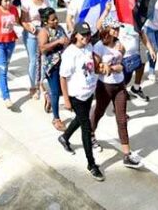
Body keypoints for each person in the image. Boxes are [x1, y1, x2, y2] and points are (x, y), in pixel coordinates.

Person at [90, 18, 143, 169]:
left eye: (118, 28)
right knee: (99, 111)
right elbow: (95, 68)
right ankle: (90, 134)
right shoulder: (99, 47)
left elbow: (122, 61)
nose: (117, 31)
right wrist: (108, 68)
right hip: (105, 85)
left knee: (122, 119)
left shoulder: (119, 43)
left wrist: (115, 67)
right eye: (114, 28)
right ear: (107, 29)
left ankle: (127, 155)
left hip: (119, 85)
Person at [57, 22, 104, 182]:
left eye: (88, 34)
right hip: (76, 96)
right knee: (86, 126)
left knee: (80, 118)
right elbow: (63, 77)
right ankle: (91, 164)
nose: (86, 37)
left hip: (88, 93)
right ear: (76, 34)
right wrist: (66, 100)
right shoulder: (70, 53)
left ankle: (65, 137)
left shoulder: (89, 47)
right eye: (83, 34)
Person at [38, 7, 69, 130]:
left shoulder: (60, 28)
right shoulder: (44, 32)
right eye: (53, 20)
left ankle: (49, 97)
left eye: (56, 18)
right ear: (46, 22)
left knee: (62, 90)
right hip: (52, 66)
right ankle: (56, 118)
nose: (56, 21)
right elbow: (43, 48)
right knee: (56, 91)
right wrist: (57, 42)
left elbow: (65, 40)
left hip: (63, 64)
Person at [20, 0, 50, 99]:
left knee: (43, 60)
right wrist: (29, 27)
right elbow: (22, 20)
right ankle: (33, 86)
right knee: (33, 61)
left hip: (43, 32)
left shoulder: (46, 1)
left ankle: (41, 83)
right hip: (31, 33)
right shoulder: (27, 2)